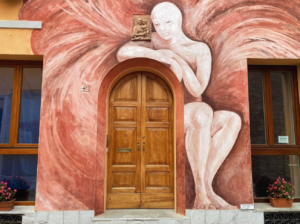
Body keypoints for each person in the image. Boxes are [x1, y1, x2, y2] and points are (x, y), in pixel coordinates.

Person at [116, 2, 241, 209]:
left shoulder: (198, 50)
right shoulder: (154, 41)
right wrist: (161, 56)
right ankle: (202, 195)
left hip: (193, 112)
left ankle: (206, 188)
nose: (162, 28)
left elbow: (197, 90)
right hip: (164, 115)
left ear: (179, 21)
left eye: (168, 22)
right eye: (157, 24)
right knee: (202, 112)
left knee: (231, 119)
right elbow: (123, 52)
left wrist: (178, 60)